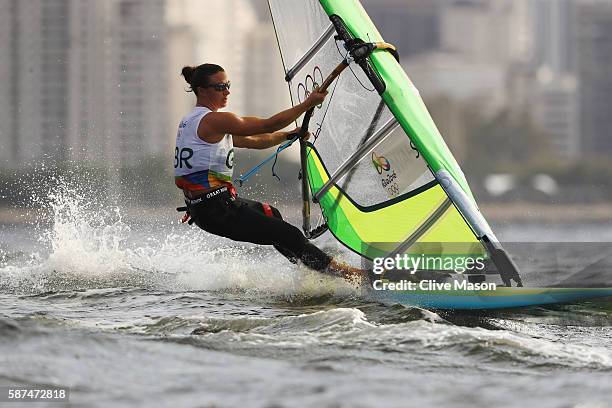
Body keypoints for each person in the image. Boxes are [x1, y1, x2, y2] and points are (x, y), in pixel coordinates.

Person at [175, 63, 362, 281]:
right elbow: (267, 125)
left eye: (228, 85)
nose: (227, 91)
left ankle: (309, 269)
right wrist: (308, 104)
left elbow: (255, 141)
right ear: (202, 90)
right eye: (220, 87)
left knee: (271, 214)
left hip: (206, 209)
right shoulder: (214, 120)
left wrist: (287, 136)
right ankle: (352, 276)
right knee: (288, 234)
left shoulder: (193, 121)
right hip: (216, 209)